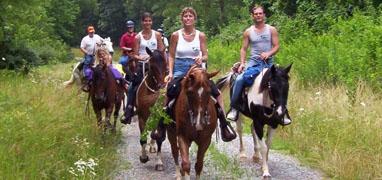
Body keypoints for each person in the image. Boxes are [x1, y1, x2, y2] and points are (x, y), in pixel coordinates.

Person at [164, 7, 236, 142]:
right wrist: (171, 73)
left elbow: (206, 55)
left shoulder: (200, 35)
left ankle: (224, 123)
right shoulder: (175, 35)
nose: (188, 18)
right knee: (170, 90)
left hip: (197, 69)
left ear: (194, 19)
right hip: (180, 68)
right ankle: (162, 121)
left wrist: (201, 58)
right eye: (185, 16)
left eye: (190, 16)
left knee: (217, 93)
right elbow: (171, 56)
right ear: (182, 19)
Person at [226, 5, 289, 125]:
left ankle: (283, 112)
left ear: (264, 15)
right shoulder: (248, 32)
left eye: (260, 13)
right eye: (256, 14)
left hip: (268, 65)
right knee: (239, 79)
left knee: (281, 82)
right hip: (254, 64)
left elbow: (276, 46)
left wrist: (268, 53)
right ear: (252, 16)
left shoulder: (271, 30)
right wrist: (243, 63)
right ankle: (234, 108)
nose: (258, 15)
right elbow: (243, 49)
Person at [121, 12, 165, 124]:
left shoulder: (157, 35)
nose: (148, 23)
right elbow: (135, 54)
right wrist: (142, 57)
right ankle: (129, 110)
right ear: (142, 22)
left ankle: (169, 110)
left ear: (152, 22)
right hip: (143, 64)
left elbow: (161, 50)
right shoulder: (138, 37)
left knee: (166, 83)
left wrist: (164, 64)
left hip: (156, 64)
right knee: (133, 85)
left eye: (149, 20)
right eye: (145, 20)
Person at [80, 26, 103, 92]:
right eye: (90, 32)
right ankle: (86, 76)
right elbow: (81, 47)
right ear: (88, 32)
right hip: (89, 54)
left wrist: (100, 43)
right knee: (87, 61)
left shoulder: (97, 37)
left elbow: (103, 41)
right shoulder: (85, 39)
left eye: (92, 32)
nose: (91, 33)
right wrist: (86, 52)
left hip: (97, 54)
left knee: (102, 62)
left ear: (94, 31)